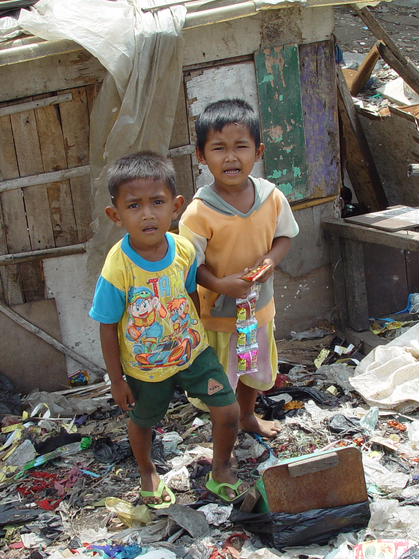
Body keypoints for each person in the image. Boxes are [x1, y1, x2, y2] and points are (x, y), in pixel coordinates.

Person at [89, 152, 248, 507]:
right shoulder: (117, 268)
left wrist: (198, 334)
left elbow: (189, 294)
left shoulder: (183, 250)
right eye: (134, 206)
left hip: (193, 353)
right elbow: (107, 327)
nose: (147, 214)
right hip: (146, 368)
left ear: (175, 207)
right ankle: (147, 471)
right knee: (144, 421)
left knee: (228, 410)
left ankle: (221, 468)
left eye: (157, 202)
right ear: (116, 215)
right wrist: (116, 381)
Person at [179, 99, 299, 439]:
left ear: (258, 151)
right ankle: (224, 433)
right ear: (201, 155)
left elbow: (284, 236)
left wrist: (270, 261)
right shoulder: (198, 213)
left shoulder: (271, 197)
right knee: (222, 379)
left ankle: (247, 415)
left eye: (240, 147)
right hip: (219, 315)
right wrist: (220, 284)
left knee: (253, 370)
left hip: (258, 310)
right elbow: (190, 267)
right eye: (218, 148)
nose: (230, 157)